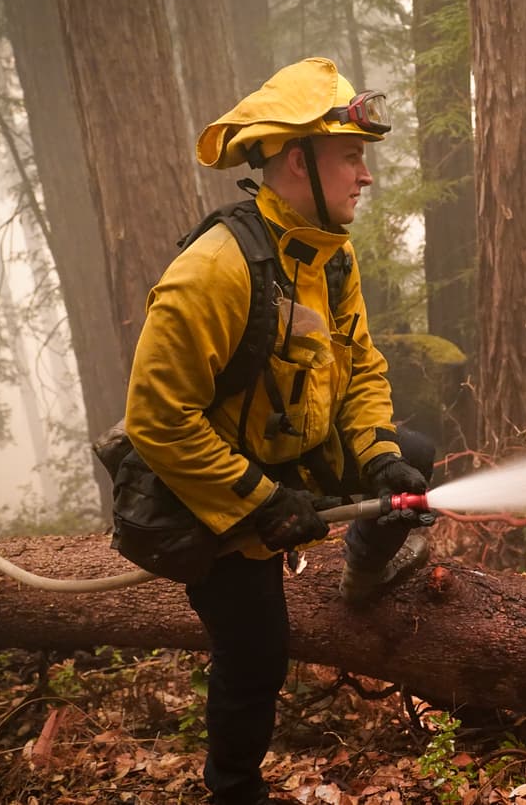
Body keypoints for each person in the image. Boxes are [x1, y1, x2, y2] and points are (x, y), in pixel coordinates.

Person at [124, 57, 433, 805]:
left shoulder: (329, 257)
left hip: (294, 464)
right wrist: (261, 502)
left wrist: (377, 455)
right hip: (213, 494)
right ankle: (233, 790)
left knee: (417, 455)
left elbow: (358, 364)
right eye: (351, 157)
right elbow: (157, 419)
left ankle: (361, 568)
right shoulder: (213, 272)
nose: (365, 176)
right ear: (299, 161)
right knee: (258, 652)